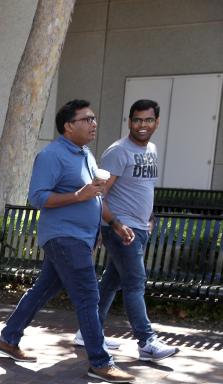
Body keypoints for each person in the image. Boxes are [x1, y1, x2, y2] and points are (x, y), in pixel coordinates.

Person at [0, 99, 135, 384]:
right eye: (87, 119)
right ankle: (100, 361)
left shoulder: (85, 154)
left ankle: (8, 338)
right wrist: (77, 196)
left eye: (94, 119)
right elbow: (37, 198)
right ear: (69, 126)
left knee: (42, 290)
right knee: (88, 296)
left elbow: (93, 195)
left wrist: (116, 223)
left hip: (80, 238)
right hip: (63, 237)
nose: (94, 124)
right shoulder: (51, 156)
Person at [73, 99, 179, 361]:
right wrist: (115, 225)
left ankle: (87, 333)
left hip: (139, 227)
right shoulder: (118, 152)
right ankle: (146, 341)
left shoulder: (151, 149)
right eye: (137, 120)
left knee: (112, 282)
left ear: (157, 122)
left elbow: (144, 188)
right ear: (129, 121)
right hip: (121, 228)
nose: (142, 125)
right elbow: (100, 195)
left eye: (148, 120)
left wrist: (149, 217)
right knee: (135, 282)